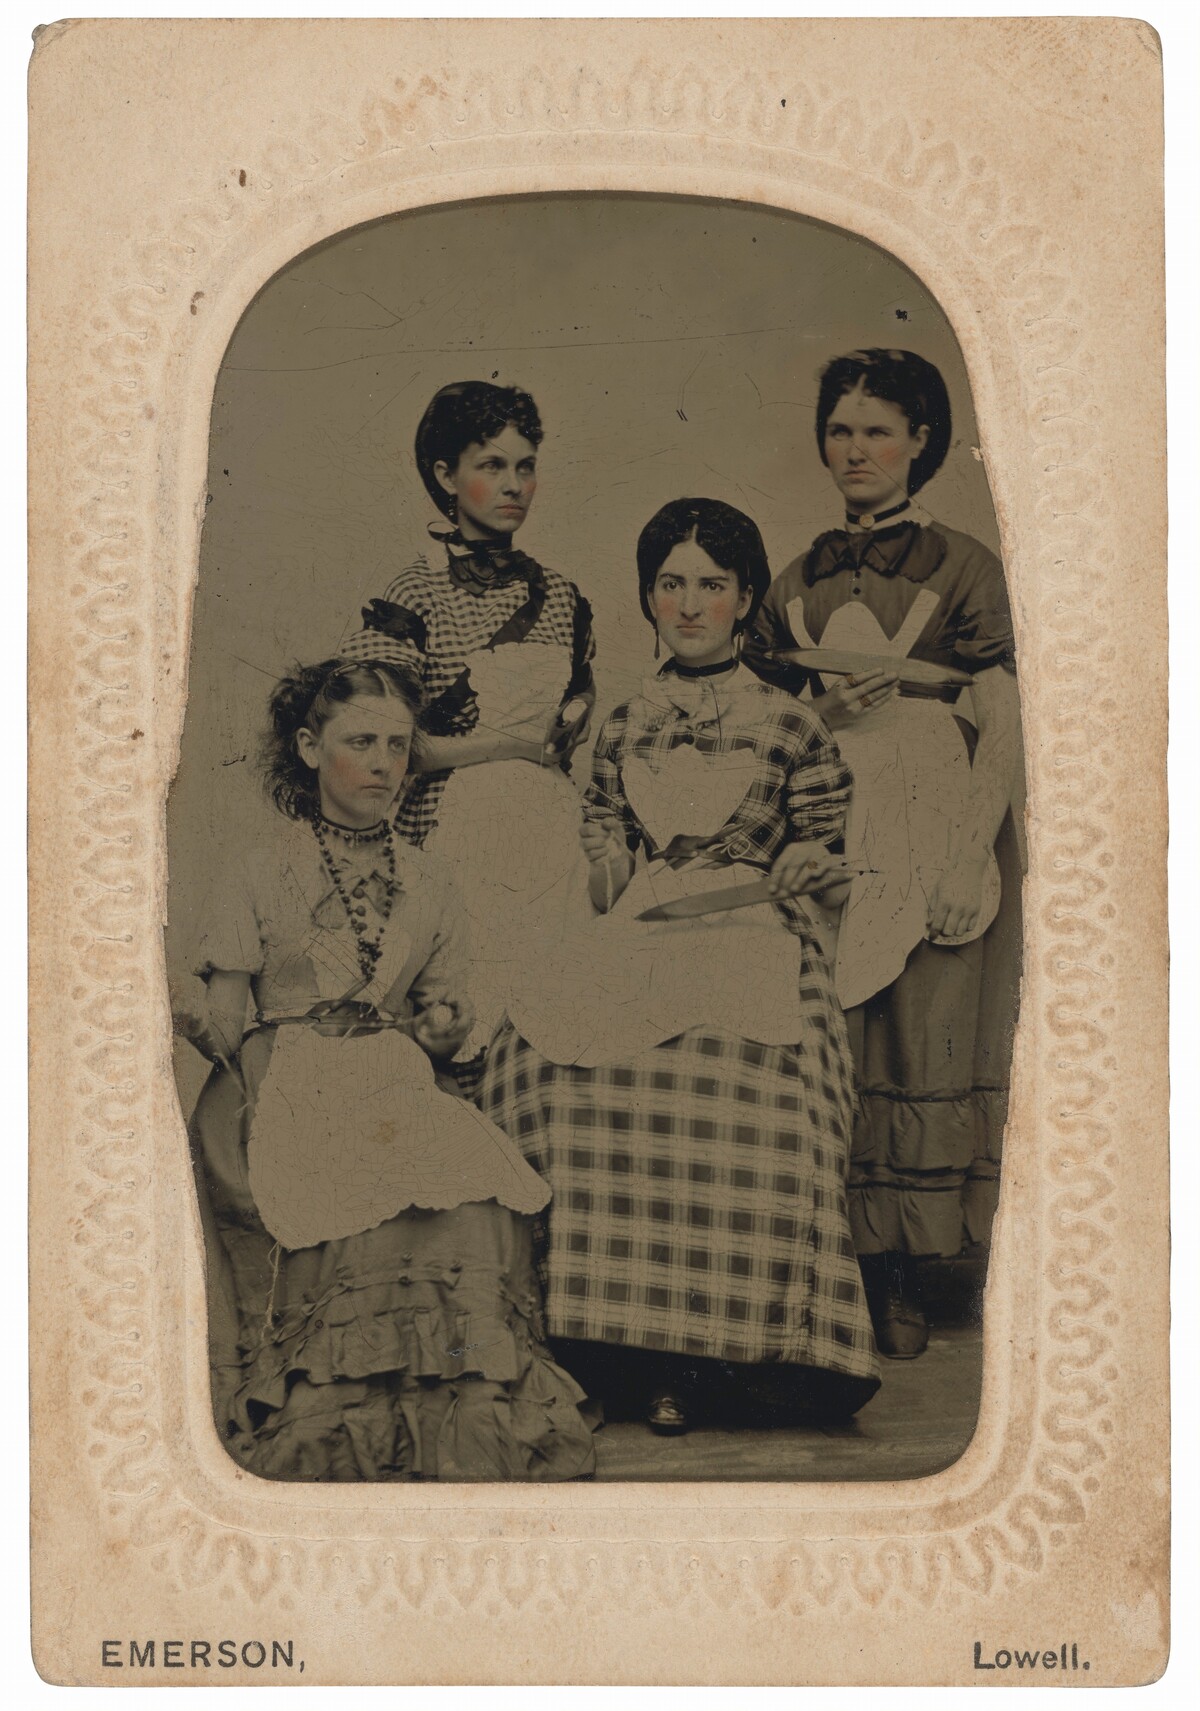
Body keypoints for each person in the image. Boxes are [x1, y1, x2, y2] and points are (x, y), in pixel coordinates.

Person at [479, 498, 880, 1436]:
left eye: (711, 584)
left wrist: (809, 867)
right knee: (541, 1073)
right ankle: (611, 1350)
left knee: (743, 1088)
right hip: (644, 930)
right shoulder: (624, 722)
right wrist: (604, 870)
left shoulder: (791, 724)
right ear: (648, 598)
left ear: (745, 599)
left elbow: (832, 865)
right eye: (671, 584)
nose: (689, 604)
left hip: (754, 938)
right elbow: (605, 846)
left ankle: (716, 1361)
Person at [179, 649, 597, 1481]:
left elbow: (441, 1010)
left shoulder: (431, 878)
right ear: (308, 748)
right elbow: (223, 1013)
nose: (383, 763)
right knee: (341, 1193)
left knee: (478, 1188)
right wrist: (217, 1025)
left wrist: (442, 1026)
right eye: (360, 741)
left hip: (391, 1074)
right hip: (283, 1073)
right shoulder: (263, 868)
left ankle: (459, 1413)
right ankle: (338, 1416)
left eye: (399, 745)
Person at [742, 348, 1023, 1360]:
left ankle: (908, 1274)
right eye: (842, 429)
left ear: (921, 443)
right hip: (831, 811)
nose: (857, 449)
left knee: (923, 1029)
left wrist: (966, 849)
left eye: (878, 429)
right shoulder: (796, 576)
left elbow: (999, 715)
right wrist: (819, 709)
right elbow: (764, 721)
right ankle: (842, 1275)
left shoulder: (965, 567)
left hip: (934, 802)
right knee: (834, 1036)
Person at [351, 380, 596, 1071]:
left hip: (553, 838)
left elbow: (570, 731)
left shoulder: (563, 599)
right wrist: (512, 748)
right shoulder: (415, 590)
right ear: (445, 476)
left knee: (548, 1030)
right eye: (491, 465)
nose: (513, 484)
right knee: (455, 1026)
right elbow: (392, 745)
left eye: (525, 466)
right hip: (452, 833)